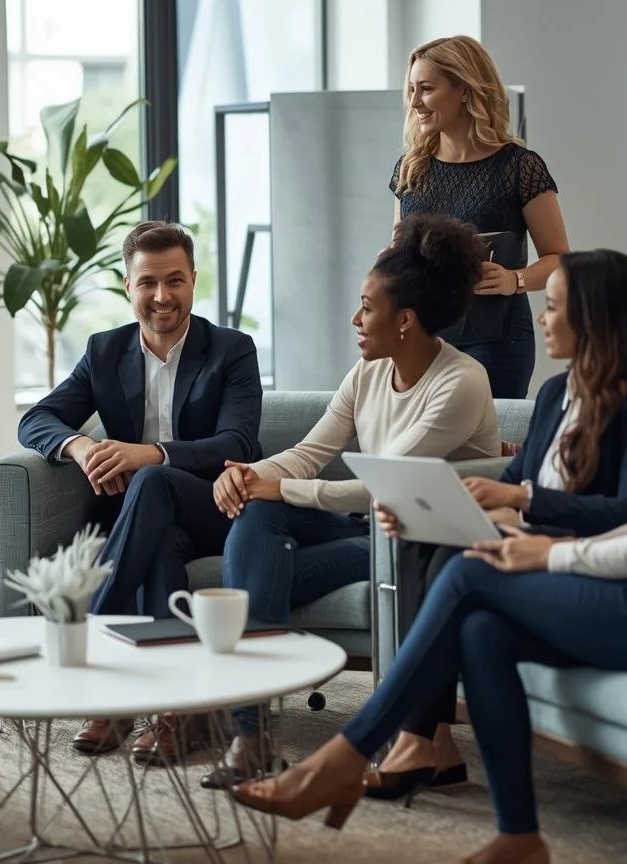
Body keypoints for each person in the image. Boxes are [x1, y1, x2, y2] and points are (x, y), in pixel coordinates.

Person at [231, 224, 627, 864]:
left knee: (470, 577)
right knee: (481, 632)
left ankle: (344, 756)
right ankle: (519, 835)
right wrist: (516, 527)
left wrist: (544, 551)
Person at [366, 249, 627, 802]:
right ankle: (430, 741)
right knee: (430, 535)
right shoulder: (554, 393)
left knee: (459, 561)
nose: (542, 317)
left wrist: (523, 499)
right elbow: (515, 479)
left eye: (554, 307)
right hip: (540, 554)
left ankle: (411, 736)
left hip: (592, 567)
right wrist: (435, 508)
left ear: (592, 316)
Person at [203, 212, 500, 787]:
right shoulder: (366, 373)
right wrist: (247, 476)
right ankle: (252, 731)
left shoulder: (460, 382)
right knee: (261, 518)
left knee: (262, 552)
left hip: (413, 536)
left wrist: (279, 485)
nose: (355, 319)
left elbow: (387, 485)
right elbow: (310, 452)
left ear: (406, 320)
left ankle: (247, 728)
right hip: (368, 532)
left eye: (367, 307)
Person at [17, 220, 264, 760]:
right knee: (162, 544)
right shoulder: (104, 351)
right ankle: (175, 709)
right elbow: (37, 419)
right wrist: (82, 448)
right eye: (148, 282)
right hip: (149, 521)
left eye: (174, 281)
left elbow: (238, 440)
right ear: (127, 285)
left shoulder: (231, 349)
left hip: (216, 506)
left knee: (153, 481)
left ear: (194, 280)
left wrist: (148, 454)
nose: (161, 296)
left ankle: (97, 662)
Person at [392, 35, 571, 399]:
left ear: (464, 89)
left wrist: (515, 280)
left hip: (498, 341)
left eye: (425, 89)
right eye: (411, 89)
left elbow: (561, 261)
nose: (414, 102)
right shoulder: (411, 168)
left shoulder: (520, 167)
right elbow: (396, 253)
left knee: (487, 449)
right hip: (422, 338)